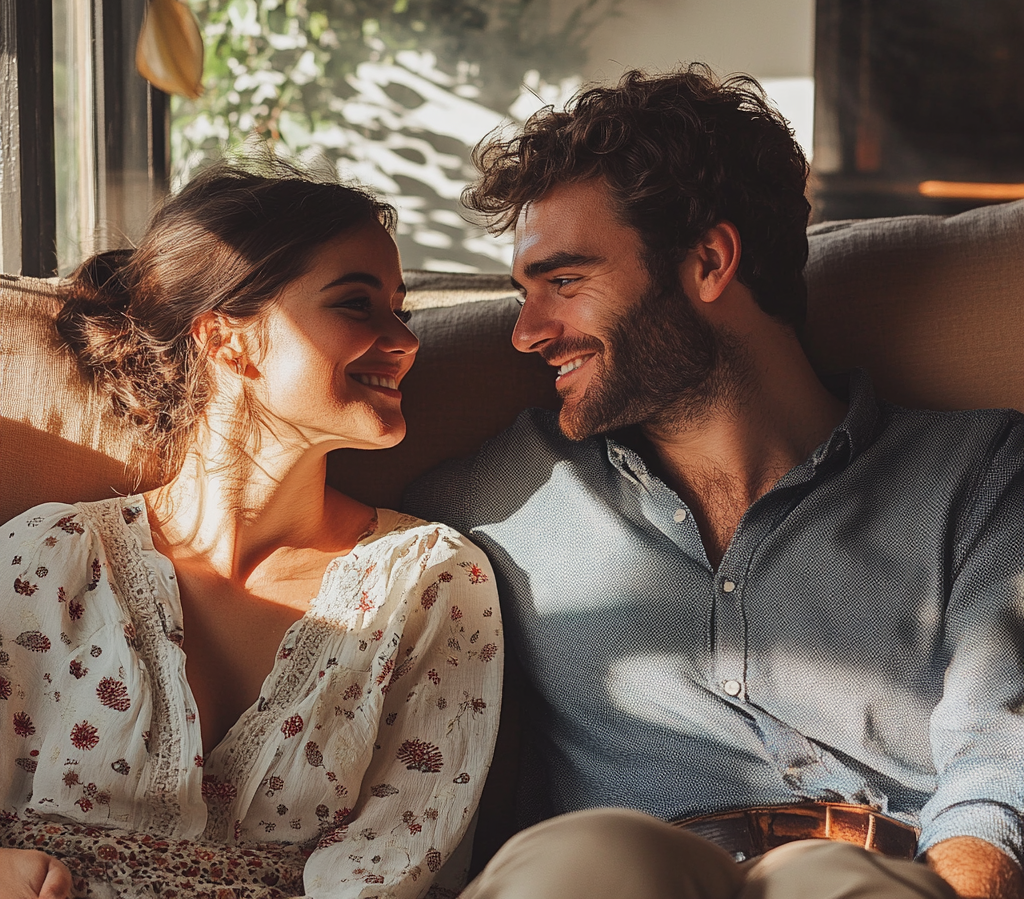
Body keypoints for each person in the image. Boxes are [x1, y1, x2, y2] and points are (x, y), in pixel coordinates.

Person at [404, 66, 1024, 899]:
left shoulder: (981, 478)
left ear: (708, 260)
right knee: (586, 863)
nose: (527, 333)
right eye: (524, 292)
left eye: (564, 282)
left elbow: (1000, 768)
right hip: (616, 875)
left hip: (884, 877)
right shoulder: (507, 488)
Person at [0, 164, 502, 899]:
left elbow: (400, 853)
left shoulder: (427, 580)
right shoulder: (47, 557)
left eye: (402, 310)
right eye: (358, 304)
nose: (405, 341)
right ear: (229, 342)